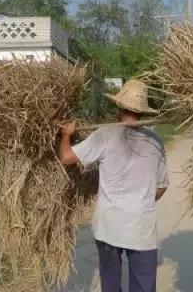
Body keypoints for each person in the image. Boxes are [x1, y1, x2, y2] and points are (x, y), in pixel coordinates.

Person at [59, 79, 168, 292]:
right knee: (144, 287)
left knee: (110, 284)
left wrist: (65, 135)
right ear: (143, 111)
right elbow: (162, 186)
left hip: (109, 226)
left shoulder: (105, 134)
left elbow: (66, 157)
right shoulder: (156, 141)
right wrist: (141, 200)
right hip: (141, 227)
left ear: (118, 106)